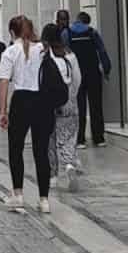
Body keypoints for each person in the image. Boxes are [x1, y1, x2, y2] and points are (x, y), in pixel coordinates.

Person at [0, 15, 55, 215]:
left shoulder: (10, 52)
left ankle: (18, 194)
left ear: (12, 32)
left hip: (21, 100)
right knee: (41, 151)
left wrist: (3, 111)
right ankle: (44, 199)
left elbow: (4, 82)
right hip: (42, 102)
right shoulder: (44, 50)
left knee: (16, 148)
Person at [43, 19, 83, 190]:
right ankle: (69, 164)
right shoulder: (69, 55)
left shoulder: (44, 56)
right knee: (69, 136)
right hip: (68, 102)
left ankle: (52, 175)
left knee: (49, 140)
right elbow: (78, 79)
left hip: (48, 103)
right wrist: (72, 97)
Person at [67, 10, 111, 148]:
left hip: (76, 75)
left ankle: (80, 139)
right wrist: (107, 69)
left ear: (77, 20)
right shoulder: (92, 32)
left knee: (79, 107)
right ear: (87, 22)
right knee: (96, 105)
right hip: (93, 74)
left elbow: (64, 52)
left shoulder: (67, 33)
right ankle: (98, 138)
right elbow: (102, 51)